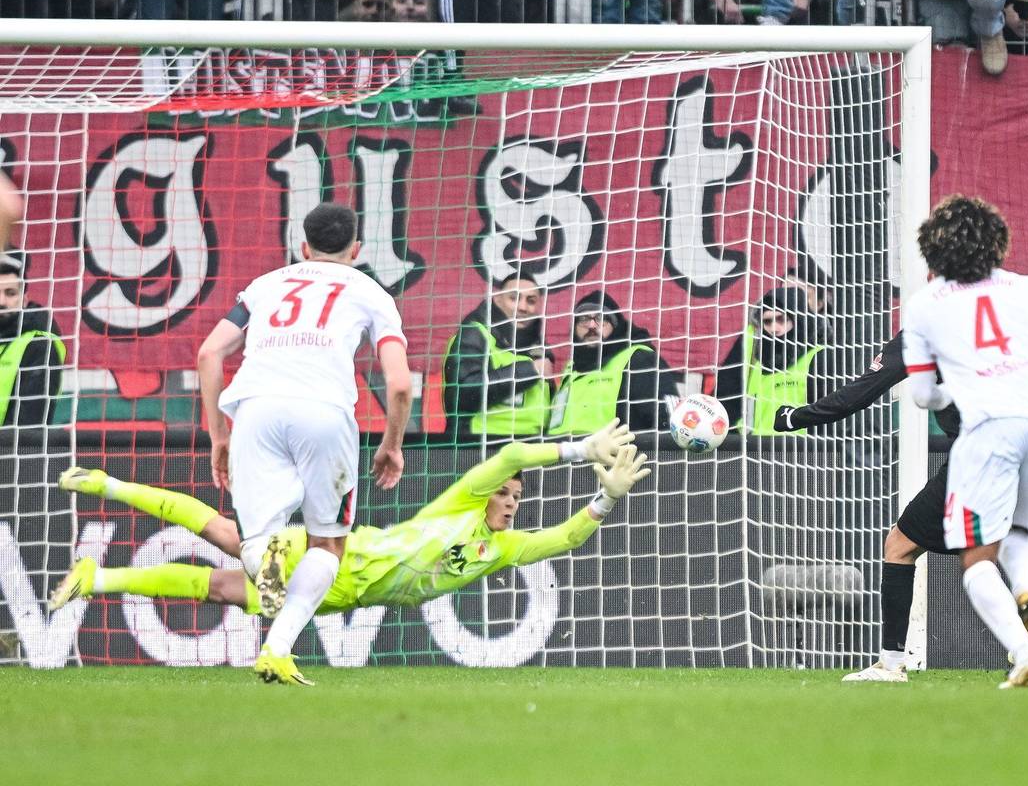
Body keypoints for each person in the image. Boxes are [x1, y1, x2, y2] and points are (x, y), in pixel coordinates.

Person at [49, 421, 648, 683]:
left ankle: (95, 579)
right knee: (227, 540)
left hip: (342, 596)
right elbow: (513, 455)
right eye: (507, 496)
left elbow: (567, 538)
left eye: (517, 499)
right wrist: (579, 450)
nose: (512, 501)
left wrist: (606, 497)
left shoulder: (504, 548)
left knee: (223, 587)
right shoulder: (460, 505)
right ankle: (109, 485)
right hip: (334, 554)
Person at [775, 333, 1028, 682]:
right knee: (1023, 542)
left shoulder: (926, 329)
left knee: (901, 545)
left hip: (980, 454)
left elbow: (860, 392)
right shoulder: (1012, 314)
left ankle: (891, 664)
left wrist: (797, 416)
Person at [898, 194, 1028, 688]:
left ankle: (1023, 652)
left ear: (932, 252)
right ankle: (1025, 587)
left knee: (975, 559)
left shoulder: (926, 305)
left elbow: (923, 396)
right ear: (997, 243)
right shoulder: (1026, 287)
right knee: (1023, 527)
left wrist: (961, 385)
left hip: (992, 425)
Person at [197, 202, 412, 685]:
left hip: (255, 408)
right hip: (324, 413)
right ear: (356, 250)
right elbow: (399, 385)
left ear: (302, 247)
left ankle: (261, 563)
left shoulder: (267, 285)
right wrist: (391, 444)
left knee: (255, 540)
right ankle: (278, 646)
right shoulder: (370, 292)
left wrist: (218, 434)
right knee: (328, 542)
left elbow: (210, 352)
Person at [548, 291, 680, 435]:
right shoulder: (570, 370)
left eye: (601, 318)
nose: (592, 325)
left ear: (615, 325)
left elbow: (669, 423)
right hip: (563, 454)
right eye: (583, 319)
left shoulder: (639, 360)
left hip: (617, 455)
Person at [443, 273, 553, 439]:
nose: (522, 307)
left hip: (529, 450)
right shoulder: (474, 334)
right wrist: (529, 371)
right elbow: (463, 393)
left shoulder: (540, 349)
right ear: (497, 300)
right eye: (514, 298)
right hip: (480, 445)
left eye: (531, 301)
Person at [716, 286, 833, 436]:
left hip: (801, 451)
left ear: (798, 319)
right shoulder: (757, 361)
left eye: (781, 319)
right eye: (767, 321)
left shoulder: (818, 357)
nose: (774, 328)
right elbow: (729, 401)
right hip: (756, 448)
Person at [0, 250, 66, 428]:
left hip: (12, 452)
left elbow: (28, 424)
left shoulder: (39, 345)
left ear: (24, 300)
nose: (2, 301)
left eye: (10, 293)